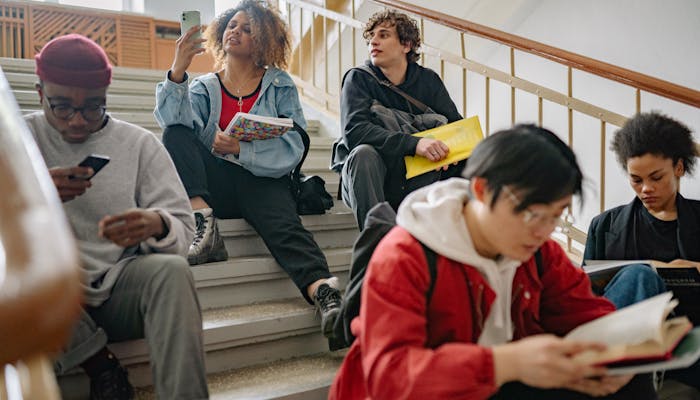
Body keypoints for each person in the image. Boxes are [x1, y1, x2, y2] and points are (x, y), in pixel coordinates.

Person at [329, 124, 656, 400]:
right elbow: (391, 377)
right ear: (483, 190)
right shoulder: (405, 256)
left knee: (630, 376)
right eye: (532, 215)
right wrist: (505, 363)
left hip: (497, 384)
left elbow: (587, 315)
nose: (544, 232)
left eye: (555, 218)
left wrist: (616, 356)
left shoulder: (540, 251)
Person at [25, 34, 207, 399]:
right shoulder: (14, 137)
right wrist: (31, 196)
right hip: (45, 298)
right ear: (40, 93)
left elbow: (185, 227)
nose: (78, 120)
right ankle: (100, 365)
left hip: (117, 288)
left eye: (93, 107)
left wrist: (157, 224)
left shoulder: (139, 144)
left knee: (173, 273)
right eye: (62, 107)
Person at [154, 0, 342, 336]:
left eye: (247, 28)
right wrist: (178, 71)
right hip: (216, 187)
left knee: (285, 229)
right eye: (232, 25)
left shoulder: (279, 84)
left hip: (262, 180)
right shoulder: (203, 86)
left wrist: (242, 148)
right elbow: (174, 124)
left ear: (265, 40)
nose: (235, 32)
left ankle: (325, 295)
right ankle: (204, 224)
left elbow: (295, 143)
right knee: (175, 133)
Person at [584, 111, 699, 392]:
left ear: (679, 168)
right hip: (625, 338)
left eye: (656, 177)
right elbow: (585, 295)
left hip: (688, 340)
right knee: (640, 277)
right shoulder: (605, 225)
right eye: (636, 180)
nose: (646, 188)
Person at [331, 10, 465, 230]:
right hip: (368, 177)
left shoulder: (428, 80)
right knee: (363, 153)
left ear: (406, 45)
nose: (373, 41)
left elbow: (456, 126)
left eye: (383, 35)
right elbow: (355, 132)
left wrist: (451, 149)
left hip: (413, 177)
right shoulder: (358, 78)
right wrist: (414, 144)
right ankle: (376, 249)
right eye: (372, 36)